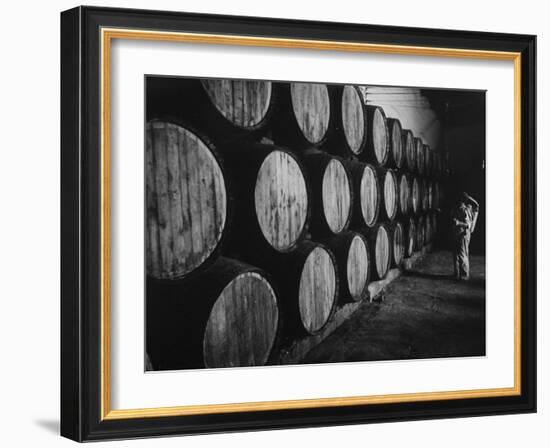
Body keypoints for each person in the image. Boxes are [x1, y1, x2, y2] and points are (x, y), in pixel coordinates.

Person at [451, 192, 479, 280]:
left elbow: (468, 225)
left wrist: (458, 223)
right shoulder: (458, 209)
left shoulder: (465, 210)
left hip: (464, 234)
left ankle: (464, 274)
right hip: (457, 233)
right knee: (455, 254)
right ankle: (457, 273)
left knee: (462, 254)